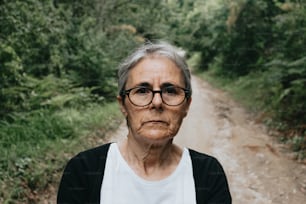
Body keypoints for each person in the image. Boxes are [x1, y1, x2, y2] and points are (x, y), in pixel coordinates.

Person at [57, 41, 231, 204]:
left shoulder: (208, 174)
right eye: (142, 91)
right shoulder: (84, 171)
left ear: (186, 105)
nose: (157, 102)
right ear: (122, 104)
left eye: (170, 90)